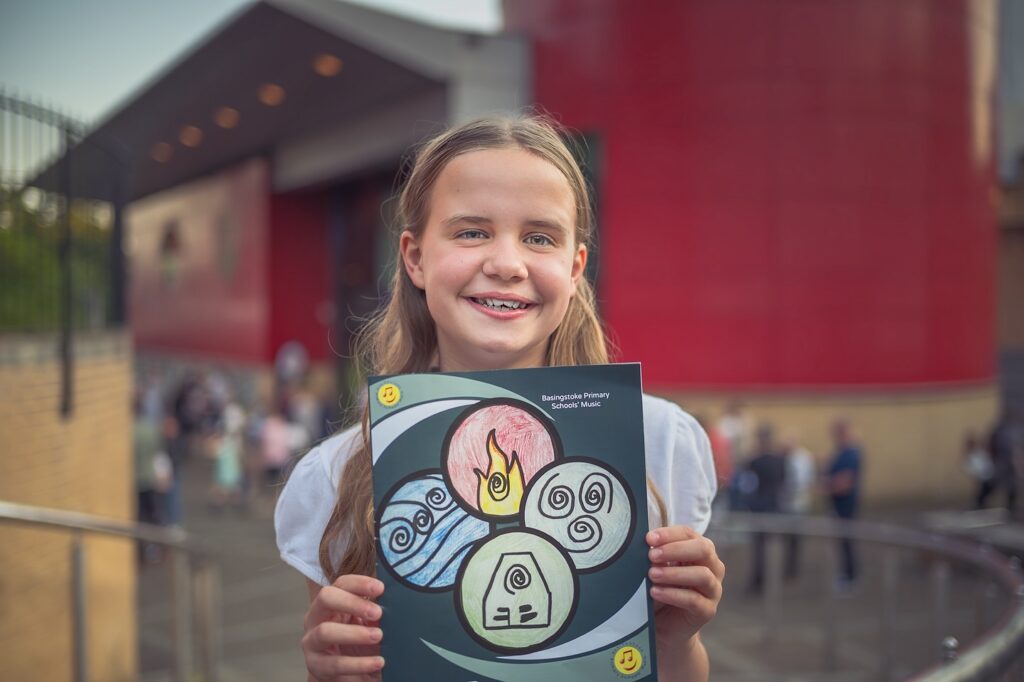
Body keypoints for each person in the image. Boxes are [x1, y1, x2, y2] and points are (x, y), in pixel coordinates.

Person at [273, 115, 723, 681]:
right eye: (471, 232)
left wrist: (676, 640)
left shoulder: (659, 443)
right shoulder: (333, 478)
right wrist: (328, 670)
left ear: (575, 267)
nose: (507, 264)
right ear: (414, 258)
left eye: (540, 237)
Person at [744, 423, 786, 593]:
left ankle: (759, 580)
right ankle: (773, 581)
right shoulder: (779, 461)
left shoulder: (755, 461)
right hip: (775, 506)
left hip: (760, 507)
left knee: (759, 547)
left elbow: (747, 484)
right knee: (773, 546)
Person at [825, 418, 862, 590]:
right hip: (838, 505)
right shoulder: (841, 452)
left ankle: (850, 576)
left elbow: (845, 483)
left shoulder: (851, 454)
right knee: (843, 541)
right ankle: (847, 574)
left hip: (846, 505)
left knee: (847, 540)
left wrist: (825, 486)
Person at [779, 432, 816, 579]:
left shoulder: (803, 458)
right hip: (786, 505)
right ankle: (787, 567)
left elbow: (805, 480)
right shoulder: (784, 458)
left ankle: (793, 568)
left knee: (795, 538)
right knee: (786, 538)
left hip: (799, 504)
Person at [962, 430, 994, 509]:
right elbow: (969, 468)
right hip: (982, 477)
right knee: (980, 493)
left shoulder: (979, 453)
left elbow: (986, 463)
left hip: (987, 476)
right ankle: (979, 505)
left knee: (983, 492)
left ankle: (981, 505)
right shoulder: (971, 457)